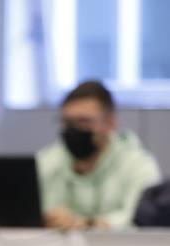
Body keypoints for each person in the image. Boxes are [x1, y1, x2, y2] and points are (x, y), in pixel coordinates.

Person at [38, 80, 160, 230]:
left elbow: (141, 219)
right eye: (68, 122)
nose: (74, 129)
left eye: (83, 122)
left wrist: (88, 224)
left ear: (110, 124)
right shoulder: (46, 162)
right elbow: (26, 213)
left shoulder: (137, 165)